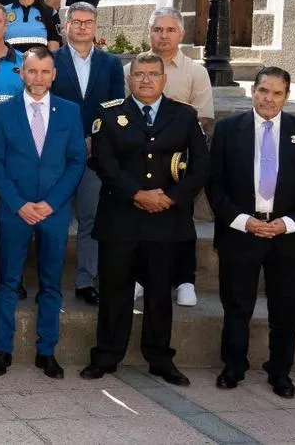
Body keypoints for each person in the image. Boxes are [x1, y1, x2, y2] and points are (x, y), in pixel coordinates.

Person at [80, 51, 210, 387]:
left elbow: (201, 166)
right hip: (121, 217)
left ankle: (160, 358)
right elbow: (104, 163)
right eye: (139, 74)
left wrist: (171, 198)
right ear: (129, 79)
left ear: (164, 79)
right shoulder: (109, 115)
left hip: (166, 218)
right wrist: (138, 194)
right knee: (114, 292)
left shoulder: (184, 115)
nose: (146, 80)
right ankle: (106, 355)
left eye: (153, 74)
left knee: (159, 294)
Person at [208, 67, 295, 398]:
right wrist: (242, 220)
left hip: (287, 236)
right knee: (237, 306)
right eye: (263, 91)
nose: (269, 99)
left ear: (286, 96)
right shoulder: (227, 129)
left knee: (285, 309)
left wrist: (287, 223)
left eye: (277, 93)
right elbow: (214, 185)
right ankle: (233, 367)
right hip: (240, 232)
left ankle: (280, 372)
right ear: (253, 91)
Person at [0, 47, 87, 379]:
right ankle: (3, 349)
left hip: (54, 211)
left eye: (45, 71)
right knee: (7, 281)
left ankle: (47, 351)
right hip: (15, 210)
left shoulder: (70, 112)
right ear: (22, 73)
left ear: (54, 75)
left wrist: (52, 203)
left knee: (51, 282)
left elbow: (76, 162)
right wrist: (19, 204)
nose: (38, 78)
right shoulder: (3, 112)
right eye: (32, 71)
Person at [131, 6, 214, 307]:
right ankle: (140, 278)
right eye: (157, 29)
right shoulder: (132, 69)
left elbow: (203, 118)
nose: (163, 36)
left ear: (181, 33)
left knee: (182, 221)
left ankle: (185, 280)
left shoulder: (196, 72)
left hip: (179, 162)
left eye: (170, 30)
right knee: (139, 221)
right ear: (149, 33)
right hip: (139, 160)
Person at [51, 2, 124, 306]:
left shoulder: (111, 64)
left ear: (95, 26)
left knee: (90, 217)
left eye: (88, 22)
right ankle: (49, 279)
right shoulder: (51, 61)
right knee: (53, 217)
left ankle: (85, 280)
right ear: (66, 26)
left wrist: (98, 139)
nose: (82, 27)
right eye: (77, 22)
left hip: (96, 152)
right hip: (57, 153)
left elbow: (117, 108)